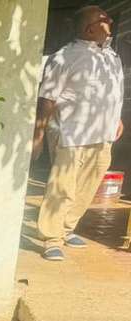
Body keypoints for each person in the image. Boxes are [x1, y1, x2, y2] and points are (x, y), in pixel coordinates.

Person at [33, 6, 124, 261]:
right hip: (70, 133)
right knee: (62, 187)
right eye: (104, 19)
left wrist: (117, 119)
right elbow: (47, 98)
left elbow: (113, 92)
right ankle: (51, 237)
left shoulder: (111, 57)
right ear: (89, 28)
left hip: (103, 134)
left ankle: (66, 227)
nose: (110, 21)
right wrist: (38, 135)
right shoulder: (64, 57)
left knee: (88, 185)